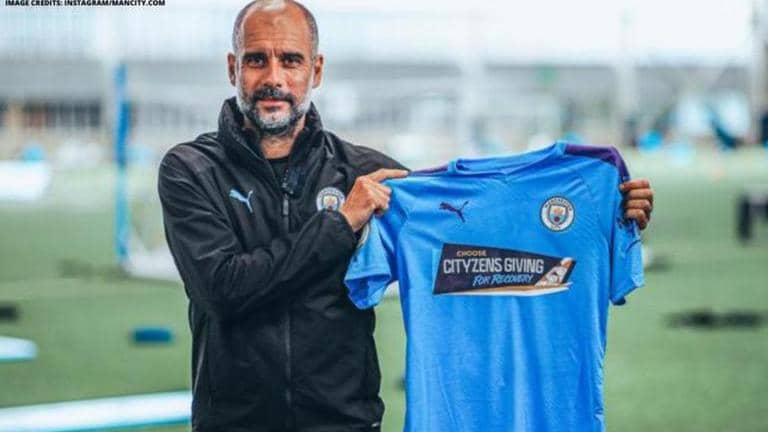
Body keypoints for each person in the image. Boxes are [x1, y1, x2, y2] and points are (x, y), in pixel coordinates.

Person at [157, 1, 655, 430]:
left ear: (316, 70)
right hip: (233, 422)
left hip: (343, 422)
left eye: (290, 60)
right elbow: (222, 289)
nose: (273, 78)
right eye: (256, 60)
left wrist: (603, 216)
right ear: (232, 68)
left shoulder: (367, 173)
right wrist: (341, 224)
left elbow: (472, 236)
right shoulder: (190, 169)